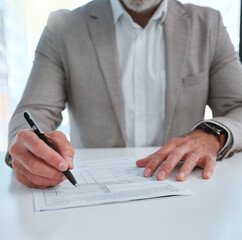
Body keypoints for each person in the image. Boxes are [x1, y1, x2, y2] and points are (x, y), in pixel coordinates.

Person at [6, 0, 242, 189]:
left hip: (183, 186)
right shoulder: (63, 27)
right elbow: (34, 110)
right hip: (94, 199)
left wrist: (210, 137)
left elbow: (238, 106)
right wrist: (27, 146)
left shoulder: (208, 25)